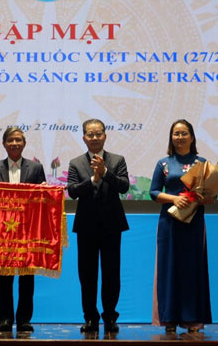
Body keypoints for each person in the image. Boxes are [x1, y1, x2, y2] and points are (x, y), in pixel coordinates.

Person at [149, 119, 213, 333]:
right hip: (169, 223)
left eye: (184, 133)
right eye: (176, 134)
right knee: (169, 269)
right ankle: (170, 319)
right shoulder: (163, 163)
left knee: (192, 268)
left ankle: (192, 318)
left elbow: (212, 196)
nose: (180, 137)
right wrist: (174, 199)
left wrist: (205, 198)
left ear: (192, 137)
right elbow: (154, 192)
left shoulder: (202, 163)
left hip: (194, 223)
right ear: (171, 137)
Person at [67, 119, 130, 333]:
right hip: (86, 227)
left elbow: (123, 187)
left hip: (112, 226)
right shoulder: (76, 163)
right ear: (84, 137)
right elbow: (73, 191)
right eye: (90, 134)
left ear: (105, 136)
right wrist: (93, 179)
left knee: (112, 273)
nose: (94, 138)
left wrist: (105, 173)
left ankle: (110, 317)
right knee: (87, 275)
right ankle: (91, 318)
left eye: (98, 134)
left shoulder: (117, 160)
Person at [0, 126, 46, 333]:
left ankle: (24, 320)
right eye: (10, 140)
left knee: (27, 278)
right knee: (4, 278)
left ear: (24, 144)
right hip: (3, 233)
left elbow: (42, 200)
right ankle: (4, 320)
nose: (15, 143)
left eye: (19, 140)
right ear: (4, 144)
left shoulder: (36, 168)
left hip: (28, 232)